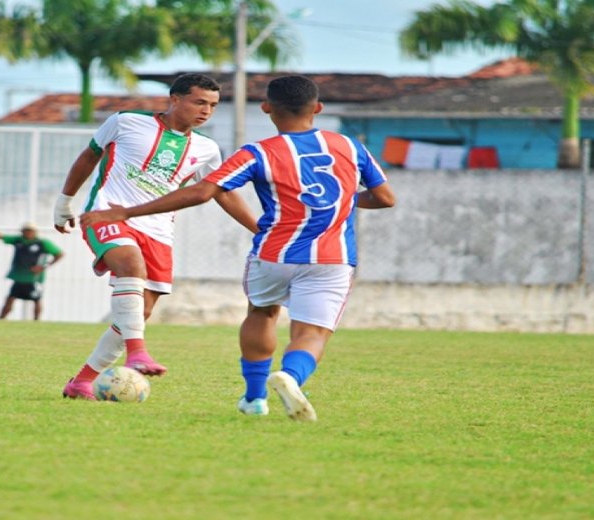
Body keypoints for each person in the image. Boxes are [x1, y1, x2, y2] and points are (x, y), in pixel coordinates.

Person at [81, 75, 396, 421]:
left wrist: (126, 211)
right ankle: (291, 376)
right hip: (333, 258)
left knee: (262, 313)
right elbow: (384, 198)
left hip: (273, 252)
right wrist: (341, 203)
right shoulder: (351, 148)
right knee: (311, 333)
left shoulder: (258, 152)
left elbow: (203, 191)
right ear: (318, 109)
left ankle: (255, 398)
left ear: (267, 109)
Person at [53, 73, 258, 400]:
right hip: (106, 213)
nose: (206, 111)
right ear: (174, 99)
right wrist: (64, 203)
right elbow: (89, 156)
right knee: (130, 265)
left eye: (213, 105)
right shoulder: (126, 121)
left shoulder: (206, 149)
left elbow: (222, 193)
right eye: (199, 102)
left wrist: (260, 229)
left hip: (159, 231)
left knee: (136, 315)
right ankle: (139, 353)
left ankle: (80, 382)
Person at [0, 216, 64, 321]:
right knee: (10, 298)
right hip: (19, 277)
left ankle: (37, 322)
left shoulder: (43, 243)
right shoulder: (18, 241)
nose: (28, 233)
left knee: (37, 300)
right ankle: (1, 320)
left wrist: (44, 266)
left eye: (30, 231)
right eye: (26, 230)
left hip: (34, 278)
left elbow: (59, 254)